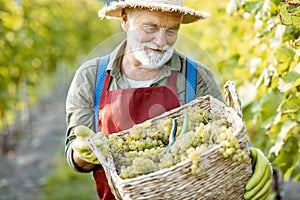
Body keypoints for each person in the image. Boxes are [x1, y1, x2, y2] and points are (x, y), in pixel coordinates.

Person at [65, 0, 272, 200]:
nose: (161, 41)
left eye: (171, 30)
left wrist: (250, 155)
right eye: (150, 28)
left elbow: (224, 136)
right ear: (126, 21)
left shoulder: (196, 76)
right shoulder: (92, 76)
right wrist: (84, 151)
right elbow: (75, 157)